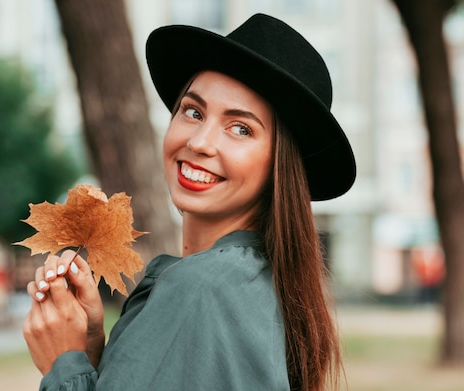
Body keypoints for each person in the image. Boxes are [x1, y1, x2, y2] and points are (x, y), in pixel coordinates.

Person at [23, 13, 356, 391]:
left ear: (279, 166)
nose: (199, 141)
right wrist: (95, 352)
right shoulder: (254, 284)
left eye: (241, 128)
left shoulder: (201, 290)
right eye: (193, 111)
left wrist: (64, 365)